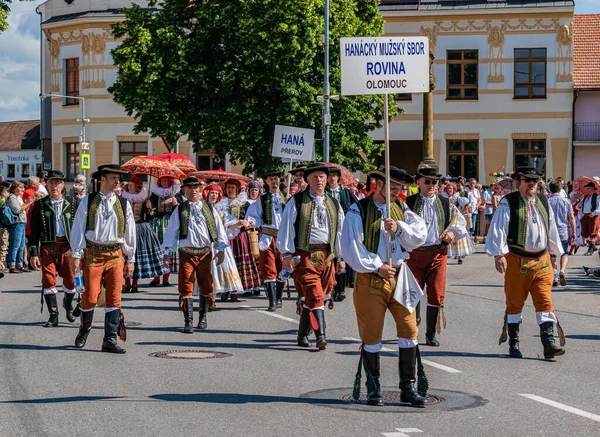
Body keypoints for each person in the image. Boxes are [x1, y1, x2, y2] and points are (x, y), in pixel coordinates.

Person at [342, 166, 428, 407]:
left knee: (410, 330)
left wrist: (399, 228)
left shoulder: (402, 209)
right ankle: (374, 387)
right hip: (371, 279)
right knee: (372, 335)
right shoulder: (357, 210)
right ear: (377, 184)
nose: (395, 191)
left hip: (400, 277)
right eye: (390, 186)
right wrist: (376, 266)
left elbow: (419, 235)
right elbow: (351, 246)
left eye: (398, 187)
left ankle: (407, 388)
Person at [486, 167, 565, 360]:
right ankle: (514, 343)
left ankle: (548, 345)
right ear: (518, 182)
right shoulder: (508, 202)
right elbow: (499, 228)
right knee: (514, 304)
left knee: (545, 301)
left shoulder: (544, 201)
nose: (531, 183)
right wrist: (498, 255)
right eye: (527, 180)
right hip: (516, 260)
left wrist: (555, 254)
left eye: (535, 180)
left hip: (542, 260)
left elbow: (551, 228)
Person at [277, 163, 345, 350]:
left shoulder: (334, 203)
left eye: (322, 177)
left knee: (318, 297)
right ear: (307, 180)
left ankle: (301, 335)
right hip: (305, 255)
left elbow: (340, 232)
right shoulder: (297, 201)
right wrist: (286, 253)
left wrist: (340, 258)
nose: (319, 180)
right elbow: (286, 228)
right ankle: (321, 336)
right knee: (314, 295)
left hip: (327, 256)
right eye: (315, 177)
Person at [70, 164, 136, 354]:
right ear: (103, 179)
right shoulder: (88, 201)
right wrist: (76, 254)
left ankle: (110, 340)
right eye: (114, 178)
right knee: (90, 297)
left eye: (118, 178)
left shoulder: (124, 203)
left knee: (114, 299)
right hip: (93, 254)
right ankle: (84, 330)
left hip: (115, 255)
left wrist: (130, 258)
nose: (117, 182)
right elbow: (78, 227)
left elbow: (130, 231)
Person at [405, 165, 467, 347]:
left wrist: (453, 235)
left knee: (436, 293)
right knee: (412, 293)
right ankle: (412, 325)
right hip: (414, 254)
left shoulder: (446, 203)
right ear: (418, 183)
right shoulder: (407, 203)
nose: (431, 185)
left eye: (434, 182)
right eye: (427, 182)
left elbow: (460, 225)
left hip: (438, 253)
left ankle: (430, 333)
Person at [162, 177, 228, 333]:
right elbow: (171, 232)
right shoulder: (179, 210)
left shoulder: (210, 209)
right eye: (190, 187)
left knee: (206, 286)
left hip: (205, 253)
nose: (193, 190)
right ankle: (188, 321)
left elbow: (219, 230)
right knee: (186, 286)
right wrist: (166, 252)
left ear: (200, 189)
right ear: (184, 190)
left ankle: (203, 318)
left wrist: (221, 250)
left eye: (196, 187)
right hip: (186, 253)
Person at [28, 171, 79, 327]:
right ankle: (53, 315)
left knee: (71, 281)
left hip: (68, 247)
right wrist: (33, 253)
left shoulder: (73, 203)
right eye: (50, 183)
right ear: (46, 184)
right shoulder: (40, 205)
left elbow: (80, 228)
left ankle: (68, 305)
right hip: (48, 247)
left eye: (57, 183)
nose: (53, 186)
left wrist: (81, 250)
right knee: (48, 280)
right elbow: (33, 230)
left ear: (62, 185)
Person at [246, 170, 286, 311]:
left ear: (280, 181)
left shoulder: (287, 198)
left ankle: (279, 297)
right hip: (267, 237)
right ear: (267, 182)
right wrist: (252, 223)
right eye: (271, 179)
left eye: (276, 179)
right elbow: (253, 216)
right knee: (269, 269)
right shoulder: (262, 199)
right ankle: (272, 301)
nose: (274, 181)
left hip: (284, 238)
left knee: (283, 269)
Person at [121, 176, 168, 293]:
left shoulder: (144, 199)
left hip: (141, 227)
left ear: (138, 187)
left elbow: (151, 216)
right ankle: (127, 283)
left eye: (132, 185)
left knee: (137, 256)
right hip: (126, 228)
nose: (129, 186)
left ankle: (135, 284)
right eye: (129, 185)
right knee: (126, 255)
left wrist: (149, 208)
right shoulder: (123, 198)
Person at [216, 178, 261, 300]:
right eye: (229, 187)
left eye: (233, 187)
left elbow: (253, 219)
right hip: (226, 237)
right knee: (226, 263)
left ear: (237, 189)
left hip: (240, 237)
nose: (230, 190)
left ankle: (237, 289)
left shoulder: (244, 203)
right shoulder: (221, 203)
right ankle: (226, 289)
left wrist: (246, 223)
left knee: (238, 262)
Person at [203, 183, 243, 309]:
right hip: (206, 244)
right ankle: (209, 297)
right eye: (212, 193)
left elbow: (230, 225)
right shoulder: (201, 208)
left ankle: (215, 296)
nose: (214, 195)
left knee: (218, 271)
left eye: (216, 193)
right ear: (206, 194)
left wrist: (238, 224)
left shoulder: (221, 211)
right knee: (208, 272)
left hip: (218, 245)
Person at [326, 167, 358, 302]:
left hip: (343, 229)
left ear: (338, 178)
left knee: (342, 258)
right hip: (328, 229)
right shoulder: (324, 193)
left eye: (334, 176)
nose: (332, 178)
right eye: (330, 176)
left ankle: (340, 289)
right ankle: (329, 288)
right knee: (329, 259)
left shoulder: (345, 192)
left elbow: (357, 206)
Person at [148, 176, 181, 287]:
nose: (164, 182)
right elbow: (151, 211)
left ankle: (166, 278)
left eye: (166, 180)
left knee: (168, 250)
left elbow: (181, 209)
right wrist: (149, 207)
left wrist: (176, 204)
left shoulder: (176, 193)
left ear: (170, 182)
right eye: (162, 181)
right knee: (157, 249)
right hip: (157, 223)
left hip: (170, 223)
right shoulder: (155, 194)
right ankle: (156, 277)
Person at [548, 181, 576, 287]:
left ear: (550, 189)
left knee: (552, 254)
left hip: (551, 232)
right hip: (563, 231)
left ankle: (555, 275)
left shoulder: (548, 201)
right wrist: (573, 231)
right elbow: (571, 217)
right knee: (564, 253)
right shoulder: (566, 201)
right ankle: (562, 271)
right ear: (561, 189)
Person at [6, 181, 34, 273]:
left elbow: (24, 211)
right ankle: (12, 265)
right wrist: (27, 204)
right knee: (15, 245)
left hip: (22, 222)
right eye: (20, 187)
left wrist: (28, 203)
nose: (23, 189)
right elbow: (17, 210)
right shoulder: (12, 198)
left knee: (21, 245)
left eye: (23, 187)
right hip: (16, 223)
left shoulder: (19, 198)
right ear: (15, 188)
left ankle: (19, 264)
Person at [443, 182, 474, 265]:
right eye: (448, 188)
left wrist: (461, 211)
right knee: (446, 234)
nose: (449, 190)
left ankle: (460, 256)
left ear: (454, 190)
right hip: (447, 218)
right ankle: (447, 255)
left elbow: (467, 205)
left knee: (458, 232)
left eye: (451, 188)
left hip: (456, 218)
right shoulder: (443, 197)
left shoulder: (457, 197)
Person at [577, 182, 600, 256]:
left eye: (588, 188)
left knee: (592, 232)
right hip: (585, 216)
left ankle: (591, 248)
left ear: (593, 188)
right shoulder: (585, 197)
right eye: (587, 188)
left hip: (592, 216)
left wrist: (593, 213)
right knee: (585, 232)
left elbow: (599, 208)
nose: (587, 189)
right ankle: (593, 246)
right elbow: (579, 206)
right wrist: (579, 206)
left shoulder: (597, 197)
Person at [0, 186, 9, 270]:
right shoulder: (3, 202)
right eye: (6, 192)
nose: (7, 194)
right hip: (2, 225)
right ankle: (1, 263)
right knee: (3, 243)